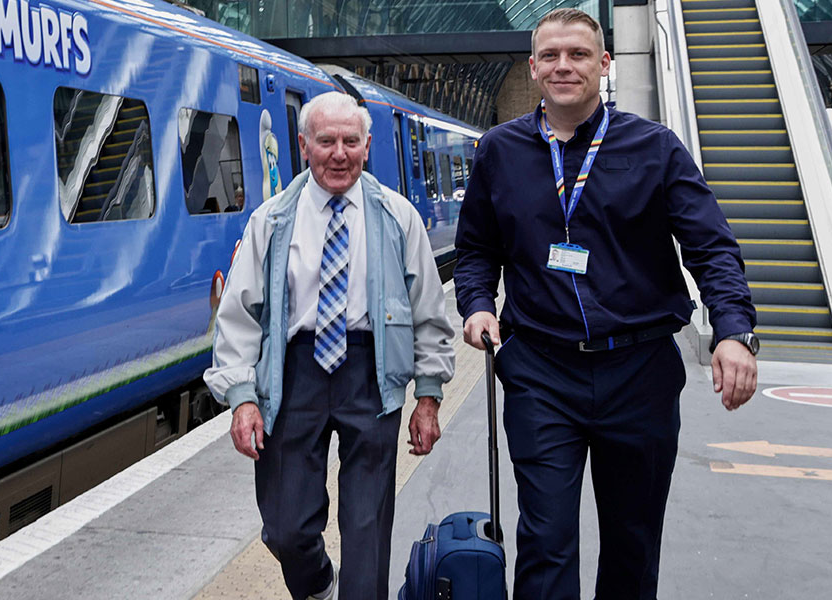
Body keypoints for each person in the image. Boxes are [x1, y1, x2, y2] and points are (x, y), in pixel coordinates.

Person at [452, 8, 759, 599]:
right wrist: (477, 304)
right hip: (541, 371)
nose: (563, 66)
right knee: (544, 538)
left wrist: (732, 330)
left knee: (632, 541)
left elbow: (712, 246)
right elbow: (476, 250)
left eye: (578, 54)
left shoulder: (655, 148)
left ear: (604, 63)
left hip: (639, 371)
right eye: (550, 56)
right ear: (533, 68)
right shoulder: (499, 151)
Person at [207, 91, 456, 600]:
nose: (339, 153)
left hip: (372, 371)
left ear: (367, 145)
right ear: (303, 146)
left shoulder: (398, 216)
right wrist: (242, 397)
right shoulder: (272, 220)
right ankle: (320, 583)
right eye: (326, 142)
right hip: (293, 373)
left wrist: (428, 394)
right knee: (286, 528)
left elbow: (429, 310)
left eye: (350, 141)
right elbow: (238, 315)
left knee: (367, 529)